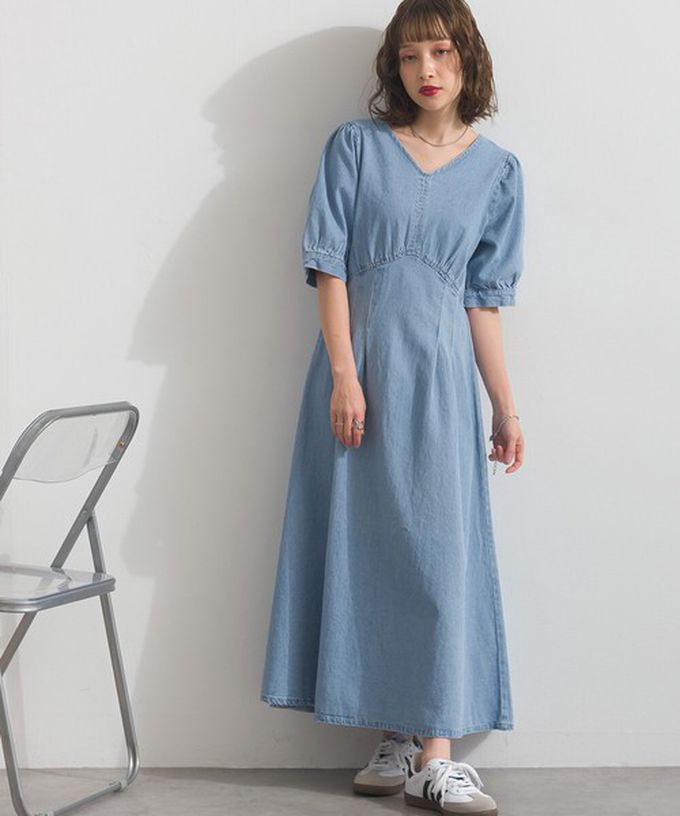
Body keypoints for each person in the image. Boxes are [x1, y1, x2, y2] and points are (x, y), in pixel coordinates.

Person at [260, 0, 525, 812]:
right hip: (358, 378)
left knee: (441, 554)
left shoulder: (497, 172)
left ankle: (438, 752)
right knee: (365, 547)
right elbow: (330, 266)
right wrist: (346, 375)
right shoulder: (356, 146)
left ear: (467, 57)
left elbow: (483, 301)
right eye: (409, 57)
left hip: (440, 383)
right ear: (393, 67)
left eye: (440, 52)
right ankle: (396, 735)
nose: (426, 71)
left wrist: (506, 407)